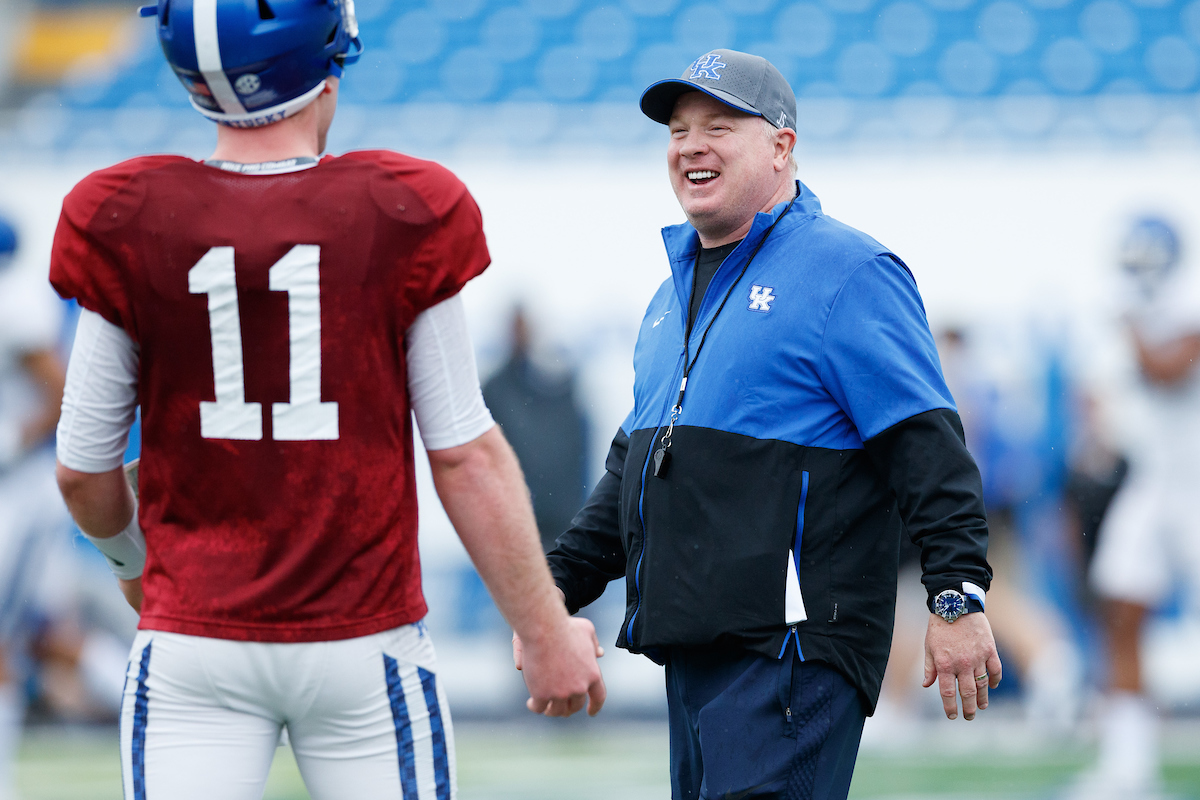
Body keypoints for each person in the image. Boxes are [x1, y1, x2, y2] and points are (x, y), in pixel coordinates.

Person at [48, 2, 604, 798]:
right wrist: (545, 630)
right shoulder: (403, 205)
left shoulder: (124, 214)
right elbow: (463, 452)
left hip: (193, 639)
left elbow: (82, 471)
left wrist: (135, 565)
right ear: (326, 64)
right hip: (365, 640)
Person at [515, 49, 1001, 800]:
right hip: (695, 651)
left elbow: (927, 448)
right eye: (677, 130)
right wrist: (545, 603)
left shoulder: (848, 270)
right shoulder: (669, 296)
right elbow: (632, 475)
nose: (689, 145)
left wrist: (956, 596)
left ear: (782, 146)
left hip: (794, 654)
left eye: (718, 125)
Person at [1079, 216, 1200, 798]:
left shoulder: (1182, 302)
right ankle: (1129, 763)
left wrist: (1128, 324)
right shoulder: (1138, 310)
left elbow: (1170, 369)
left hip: (1197, 483)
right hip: (1153, 480)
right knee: (1122, 608)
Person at [0, 212, 70, 800]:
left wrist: (10, 440)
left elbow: (59, 391)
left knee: (10, 639)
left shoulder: (14, 304)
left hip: (16, 495)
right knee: (51, 637)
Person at [482, 307, 589, 553]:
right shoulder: (497, 388)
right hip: (516, 515)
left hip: (557, 515)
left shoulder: (556, 386)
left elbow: (575, 451)